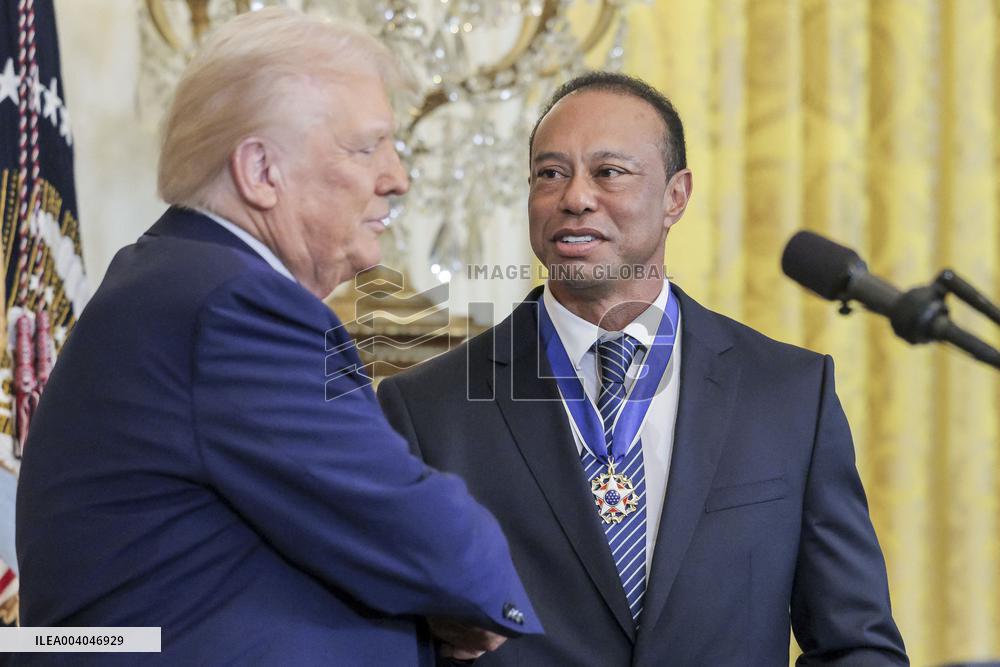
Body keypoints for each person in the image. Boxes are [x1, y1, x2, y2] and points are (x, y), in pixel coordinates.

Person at [15, 8, 540, 665]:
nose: (396, 178)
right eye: (365, 146)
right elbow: (431, 538)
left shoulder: (175, 284)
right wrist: (471, 595)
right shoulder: (235, 305)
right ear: (261, 172)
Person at [378, 71, 908, 665]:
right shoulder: (427, 408)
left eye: (608, 172)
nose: (575, 197)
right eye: (550, 174)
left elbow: (856, 645)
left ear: (675, 197)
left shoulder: (787, 394)